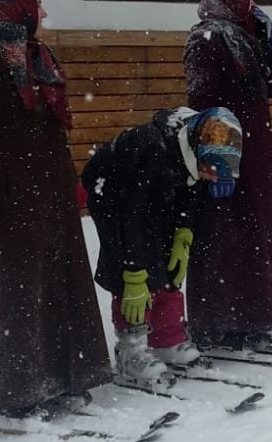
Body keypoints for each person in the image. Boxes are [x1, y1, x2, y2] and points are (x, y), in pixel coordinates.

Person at [0, 0, 111, 416]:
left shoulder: (40, 58)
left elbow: (54, 130)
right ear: (14, 8)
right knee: (14, 295)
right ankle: (11, 390)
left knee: (58, 286)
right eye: (36, 5)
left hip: (52, 195)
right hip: (9, 200)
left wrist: (71, 177)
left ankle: (60, 376)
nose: (42, 14)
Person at [82, 106, 242, 389]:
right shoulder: (149, 148)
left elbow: (190, 196)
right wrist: (133, 273)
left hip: (155, 192)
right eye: (211, 170)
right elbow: (130, 215)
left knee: (166, 260)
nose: (212, 177)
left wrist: (183, 236)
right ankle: (131, 349)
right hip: (112, 197)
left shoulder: (197, 148)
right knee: (134, 267)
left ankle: (166, 339)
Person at [183, 0, 272, 348]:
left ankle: (254, 316)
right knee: (227, 236)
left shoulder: (245, 38)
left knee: (256, 232)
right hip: (227, 150)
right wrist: (219, 153)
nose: (252, 5)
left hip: (257, 152)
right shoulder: (205, 39)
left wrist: (271, 45)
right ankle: (223, 321)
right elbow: (203, 99)